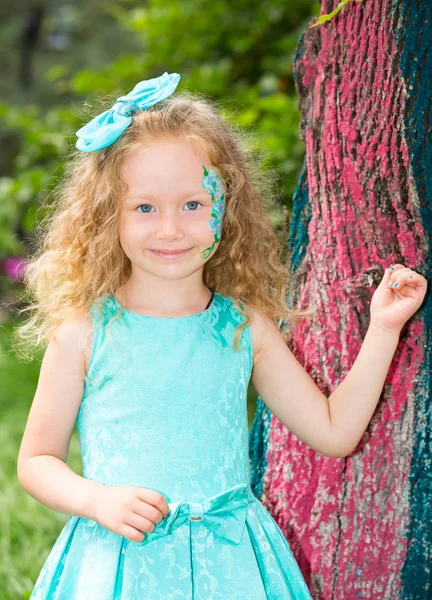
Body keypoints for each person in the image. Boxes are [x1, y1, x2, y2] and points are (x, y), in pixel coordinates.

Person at [15, 72, 427, 599]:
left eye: (193, 204)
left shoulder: (242, 326)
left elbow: (334, 430)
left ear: (224, 209)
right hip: (119, 563)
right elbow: (36, 461)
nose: (170, 229)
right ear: (105, 216)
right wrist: (97, 500)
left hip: (231, 565)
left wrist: (385, 328)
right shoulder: (85, 330)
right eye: (145, 207)